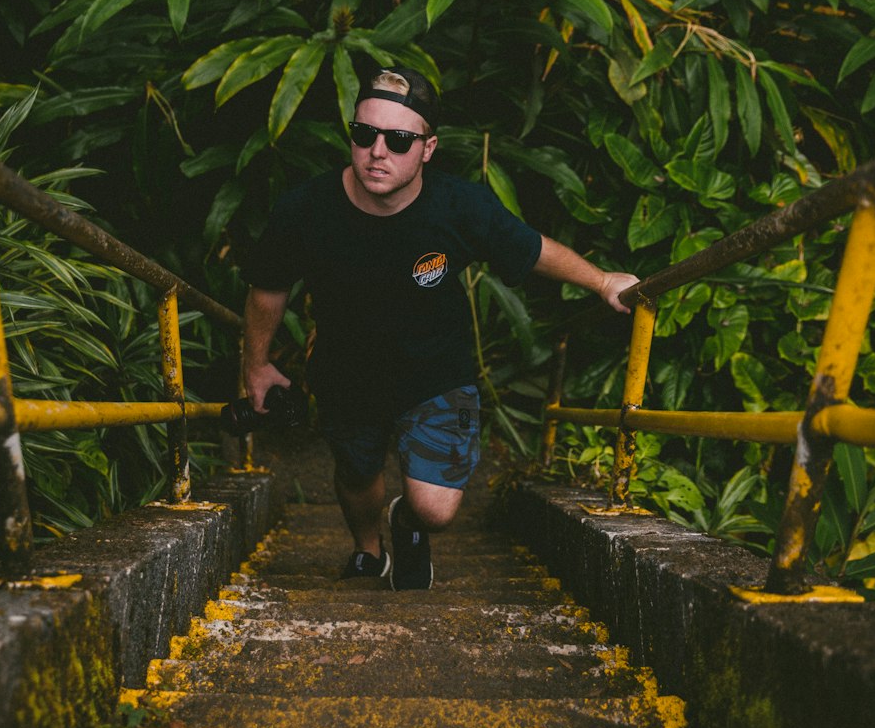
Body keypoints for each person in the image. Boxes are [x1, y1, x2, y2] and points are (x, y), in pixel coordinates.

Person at [243, 65, 640, 590]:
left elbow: (532, 249)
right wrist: (257, 365)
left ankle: (405, 526)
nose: (377, 151)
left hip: (437, 375)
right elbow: (269, 286)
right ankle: (368, 552)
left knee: (435, 511)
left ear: (428, 148)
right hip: (346, 371)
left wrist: (602, 280)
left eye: (399, 140)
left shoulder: (461, 206)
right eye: (365, 134)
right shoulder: (306, 208)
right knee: (357, 473)